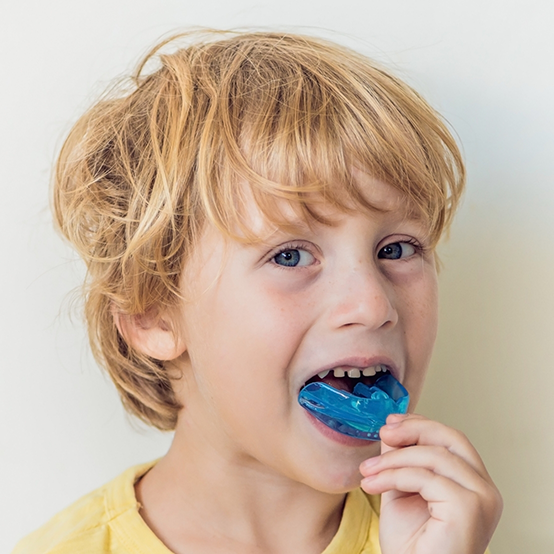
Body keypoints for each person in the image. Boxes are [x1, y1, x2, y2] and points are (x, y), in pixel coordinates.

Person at [14, 30, 502, 554]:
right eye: (289, 256)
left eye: (398, 249)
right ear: (153, 313)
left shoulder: (438, 538)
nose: (372, 305)